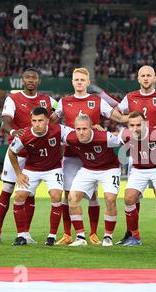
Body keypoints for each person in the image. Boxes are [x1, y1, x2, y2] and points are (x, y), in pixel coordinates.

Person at [51, 67, 127, 246]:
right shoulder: (64, 101)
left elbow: (118, 117)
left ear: (87, 82)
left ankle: (93, 234)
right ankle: (68, 234)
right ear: (72, 82)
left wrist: (137, 121)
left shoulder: (97, 101)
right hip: (71, 154)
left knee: (93, 196)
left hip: (93, 155)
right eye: (76, 79)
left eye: (82, 80)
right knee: (68, 195)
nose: (79, 82)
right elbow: (51, 122)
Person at [0, 68, 56, 245]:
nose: (30, 80)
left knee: (29, 193)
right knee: (8, 189)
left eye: (34, 78)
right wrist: (13, 131)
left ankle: (25, 233)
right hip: (16, 152)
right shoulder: (13, 98)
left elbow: (60, 111)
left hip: (35, 154)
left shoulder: (47, 100)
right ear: (22, 80)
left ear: (39, 81)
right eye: (27, 77)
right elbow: (5, 121)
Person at [115, 65, 156, 245]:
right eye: (142, 75)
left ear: (155, 78)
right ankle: (133, 236)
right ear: (138, 78)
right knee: (130, 198)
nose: (145, 78)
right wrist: (126, 122)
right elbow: (118, 114)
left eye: (149, 75)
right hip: (137, 157)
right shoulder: (130, 97)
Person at [8, 107, 71, 246]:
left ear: (47, 121)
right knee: (18, 196)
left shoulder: (58, 129)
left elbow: (77, 133)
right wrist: (19, 174)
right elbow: (11, 152)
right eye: (34, 121)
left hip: (53, 169)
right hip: (31, 169)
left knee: (56, 195)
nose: (37, 124)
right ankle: (21, 236)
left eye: (40, 121)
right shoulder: (24, 135)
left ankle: (52, 236)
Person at [63, 114, 121, 246]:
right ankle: (80, 238)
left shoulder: (104, 137)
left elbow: (123, 139)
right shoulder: (70, 138)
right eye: (78, 129)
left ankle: (108, 237)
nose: (81, 132)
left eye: (84, 129)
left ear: (92, 128)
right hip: (88, 169)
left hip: (109, 169)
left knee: (110, 199)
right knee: (72, 198)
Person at [118, 112, 156, 247]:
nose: (135, 128)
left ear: (145, 123)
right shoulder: (124, 135)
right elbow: (108, 139)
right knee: (129, 198)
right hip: (139, 169)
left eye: (138, 125)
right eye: (132, 125)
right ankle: (135, 237)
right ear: (127, 125)